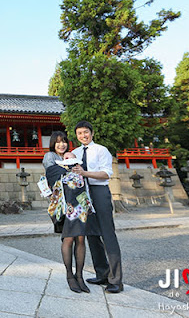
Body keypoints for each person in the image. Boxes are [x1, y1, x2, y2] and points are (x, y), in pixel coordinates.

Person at [71, 120, 123, 293]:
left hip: (99, 191)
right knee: (91, 234)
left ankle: (116, 280)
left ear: (91, 133)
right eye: (79, 133)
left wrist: (85, 173)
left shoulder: (101, 150)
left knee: (108, 234)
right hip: (82, 194)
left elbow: (106, 173)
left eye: (86, 132)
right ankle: (102, 273)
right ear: (76, 135)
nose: (83, 136)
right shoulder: (75, 152)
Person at [45, 151, 97, 293]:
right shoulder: (57, 171)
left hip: (81, 211)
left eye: (71, 157)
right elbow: (51, 188)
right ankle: (69, 275)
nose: (68, 158)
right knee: (68, 240)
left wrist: (82, 171)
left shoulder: (82, 170)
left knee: (81, 240)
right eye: (66, 157)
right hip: (67, 210)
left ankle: (79, 276)